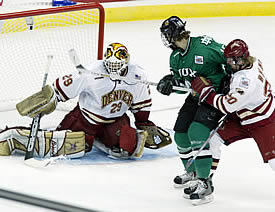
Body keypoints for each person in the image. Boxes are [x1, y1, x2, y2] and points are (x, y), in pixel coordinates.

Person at [0, 42, 172, 160]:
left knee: (129, 147)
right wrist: (47, 99)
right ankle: (12, 136)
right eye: (109, 65)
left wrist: (144, 124)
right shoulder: (91, 72)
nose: (112, 69)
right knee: (65, 144)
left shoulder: (137, 76)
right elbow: (59, 89)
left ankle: (97, 139)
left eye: (116, 66)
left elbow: (141, 106)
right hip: (84, 120)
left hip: (115, 122)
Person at [157, 16, 229, 205]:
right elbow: (185, 86)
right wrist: (170, 84)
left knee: (196, 132)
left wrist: (233, 88)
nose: (164, 39)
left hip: (214, 97)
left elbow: (231, 60)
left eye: (166, 34)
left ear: (173, 34)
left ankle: (205, 182)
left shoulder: (204, 47)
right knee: (180, 134)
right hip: (196, 96)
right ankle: (193, 172)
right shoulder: (175, 57)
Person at [191, 39, 275, 182]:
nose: (228, 63)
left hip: (264, 121)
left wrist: (207, 93)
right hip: (244, 115)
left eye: (232, 60)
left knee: (274, 161)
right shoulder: (253, 62)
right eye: (228, 59)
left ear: (241, 59)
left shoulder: (246, 81)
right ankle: (205, 181)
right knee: (213, 139)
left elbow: (226, 106)